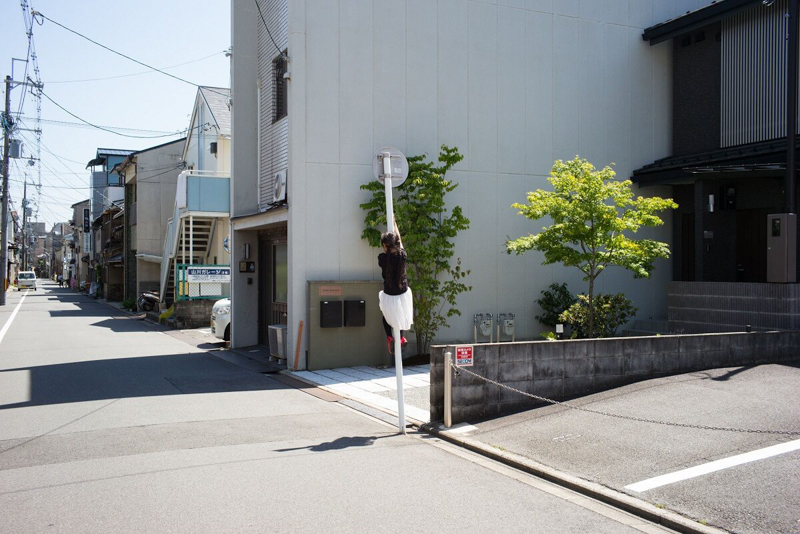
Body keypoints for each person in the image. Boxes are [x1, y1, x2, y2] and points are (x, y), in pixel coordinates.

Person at [378, 220, 413, 355]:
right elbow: (400, 242)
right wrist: (394, 223)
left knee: (386, 316)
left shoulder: (382, 258)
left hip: (388, 294)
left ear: (385, 246)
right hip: (403, 293)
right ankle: (401, 337)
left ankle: (389, 336)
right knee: (401, 314)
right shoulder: (402, 255)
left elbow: (394, 247)